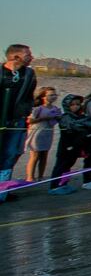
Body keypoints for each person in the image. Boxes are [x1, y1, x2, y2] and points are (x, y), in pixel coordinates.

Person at [0, 43, 37, 196]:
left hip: (16, 122)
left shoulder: (29, 74)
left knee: (11, 154)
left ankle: (3, 190)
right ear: (16, 57)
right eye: (28, 55)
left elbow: (29, 97)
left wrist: (24, 113)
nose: (31, 58)